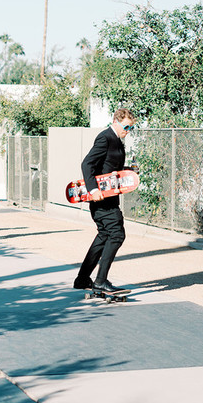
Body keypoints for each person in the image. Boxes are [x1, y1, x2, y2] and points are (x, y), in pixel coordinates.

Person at [73, 108, 136, 294]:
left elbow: (107, 167)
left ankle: (82, 279)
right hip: (101, 198)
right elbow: (87, 164)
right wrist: (92, 189)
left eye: (131, 128)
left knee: (104, 235)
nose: (128, 131)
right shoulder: (106, 137)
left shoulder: (116, 140)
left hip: (108, 197)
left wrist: (127, 170)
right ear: (116, 121)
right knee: (116, 234)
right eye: (126, 127)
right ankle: (100, 281)